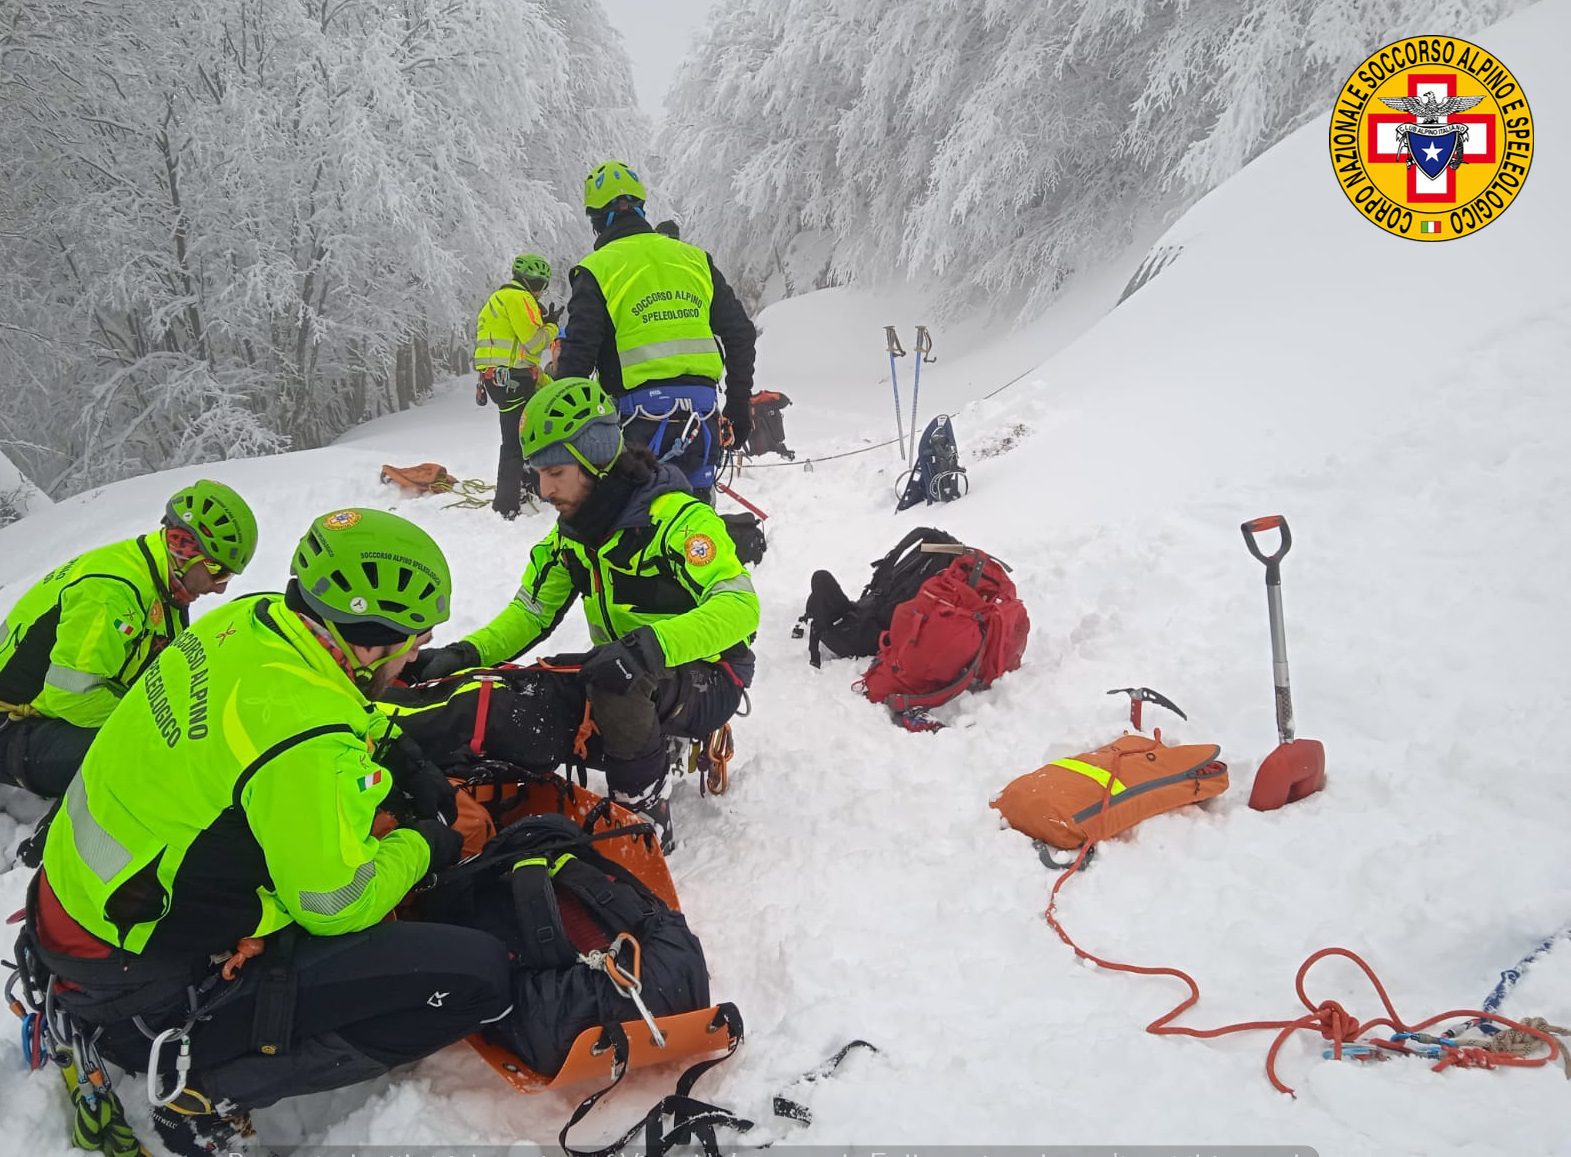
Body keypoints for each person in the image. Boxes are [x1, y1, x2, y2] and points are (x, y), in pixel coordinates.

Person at [23, 508, 507, 1157]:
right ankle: (202, 1086)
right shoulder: (305, 739)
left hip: (78, 904)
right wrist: (424, 845)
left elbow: (311, 701)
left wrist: (402, 753)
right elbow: (335, 903)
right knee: (476, 977)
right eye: (413, 638)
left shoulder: (248, 620)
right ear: (367, 642)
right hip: (135, 973)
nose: (417, 650)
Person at [406, 377, 759, 851]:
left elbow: (740, 606)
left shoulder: (675, 518)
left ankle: (643, 814)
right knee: (525, 692)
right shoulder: (572, 536)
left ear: (595, 457)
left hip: (712, 674)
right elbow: (530, 614)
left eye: (556, 472)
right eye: (537, 473)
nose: (543, 488)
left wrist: (648, 649)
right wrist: (463, 654)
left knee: (615, 679)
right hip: (630, 665)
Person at [0, 479, 257, 805]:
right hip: (11, 727)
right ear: (185, 550)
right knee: (140, 755)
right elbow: (70, 697)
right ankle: (40, 851)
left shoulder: (164, 589)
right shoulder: (113, 592)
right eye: (218, 572)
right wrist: (153, 721)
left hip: (42, 718)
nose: (221, 588)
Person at [555, 161, 757, 501]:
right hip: (702, 418)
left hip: (637, 426)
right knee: (695, 525)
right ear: (641, 206)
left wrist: (564, 432)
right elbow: (741, 335)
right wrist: (738, 409)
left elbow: (578, 359)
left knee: (637, 531)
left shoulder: (597, 270)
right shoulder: (694, 259)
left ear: (595, 219)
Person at [475, 253, 563, 519]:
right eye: (539, 284)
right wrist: (551, 327)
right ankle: (506, 505)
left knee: (523, 435)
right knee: (516, 442)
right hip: (513, 379)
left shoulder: (497, 298)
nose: (540, 291)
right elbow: (534, 342)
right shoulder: (520, 298)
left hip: (499, 379)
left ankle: (528, 487)